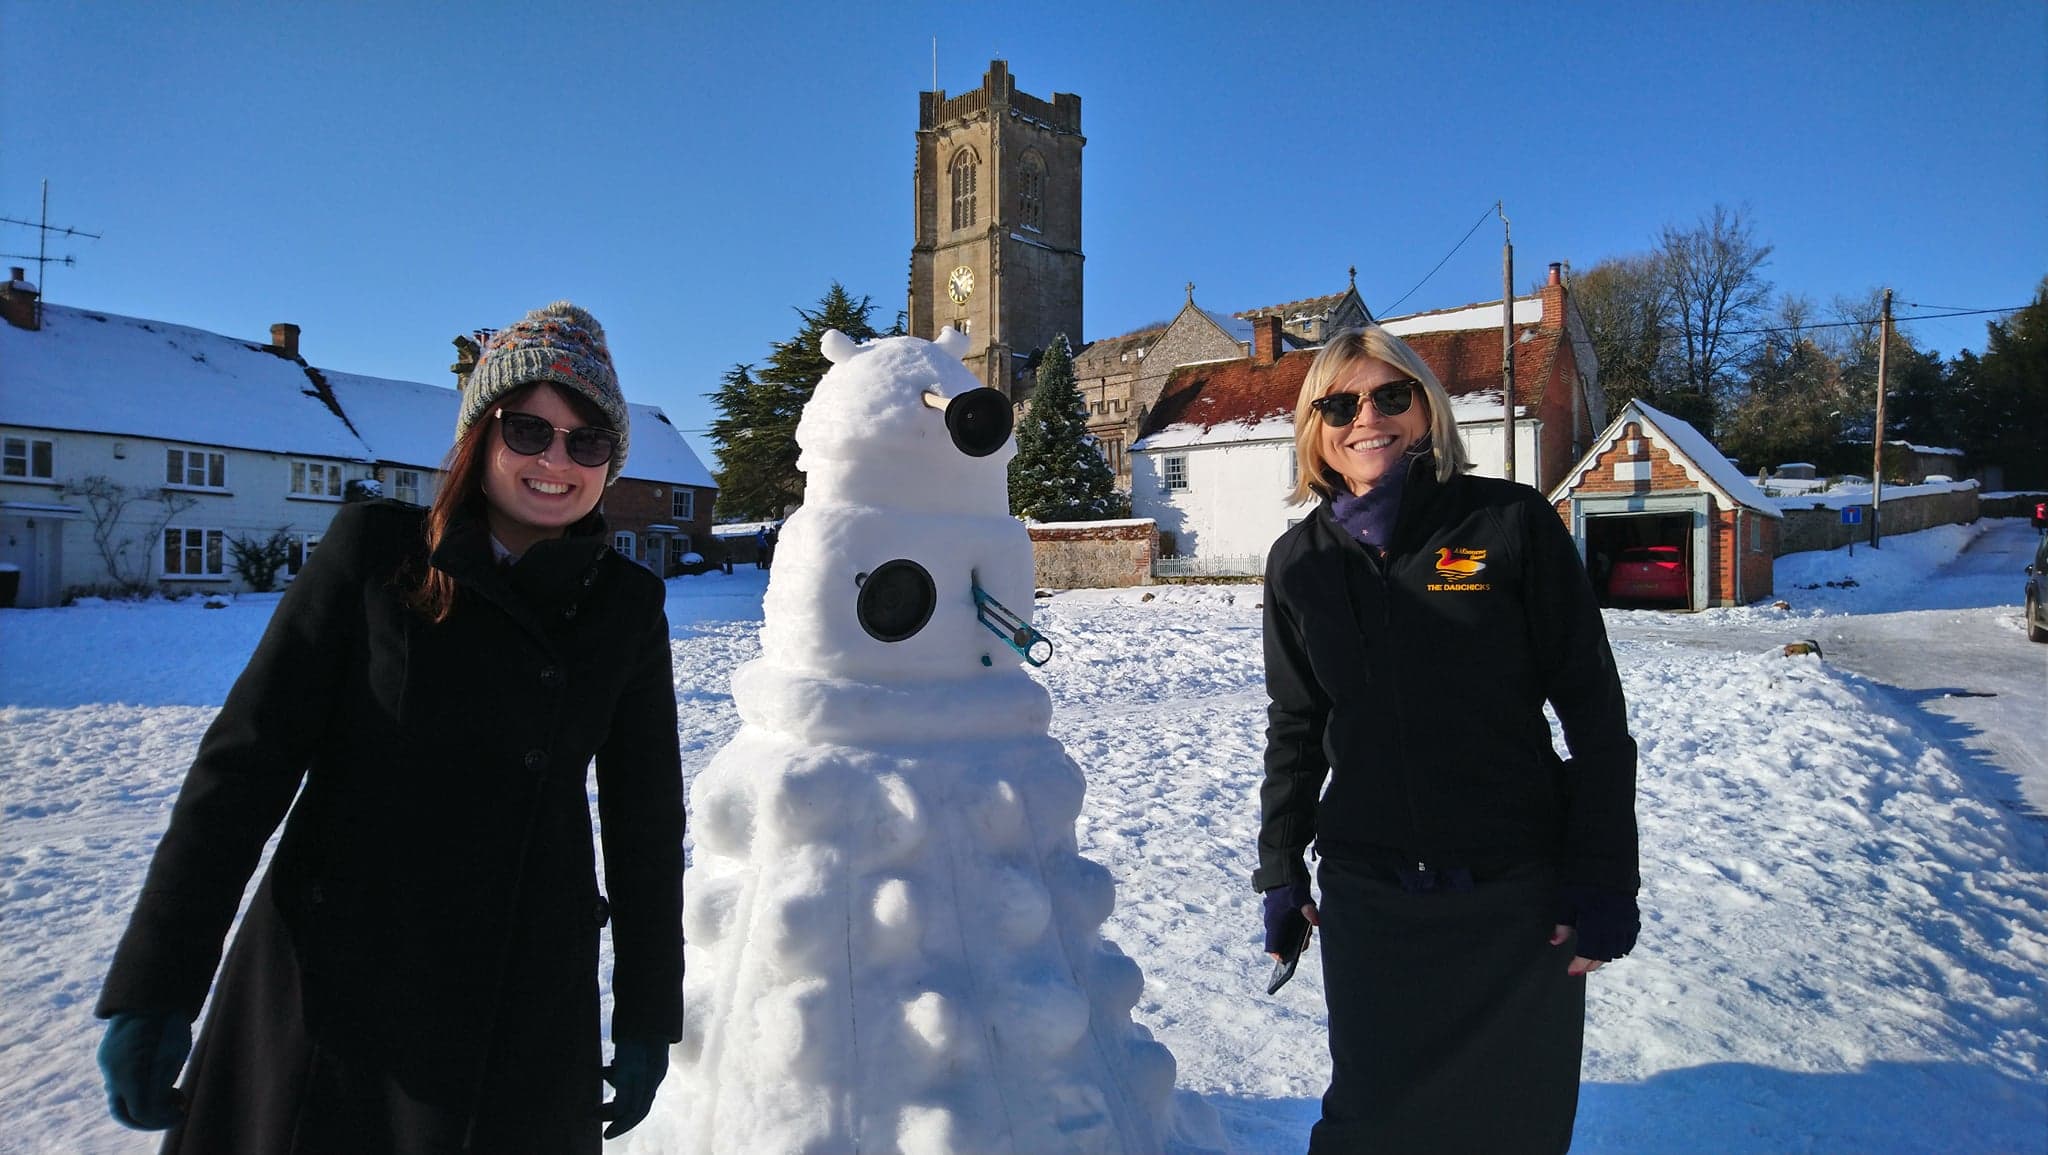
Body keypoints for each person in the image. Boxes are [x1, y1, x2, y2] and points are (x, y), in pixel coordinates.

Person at [94, 302, 685, 1154]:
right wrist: (155, 985)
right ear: (479, 438)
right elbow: (242, 769)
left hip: (519, 997)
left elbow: (645, 825)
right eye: (529, 430)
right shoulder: (377, 554)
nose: (556, 461)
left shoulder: (627, 608)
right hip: (335, 984)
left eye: (586, 441)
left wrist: (645, 1015)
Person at [1256, 325, 1639, 1153]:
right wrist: (1281, 870)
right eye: (1340, 402)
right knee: (1370, 1125)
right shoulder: (1299, 562)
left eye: (1391, 395)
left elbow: (1596, 717)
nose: (1368, 417)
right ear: (1314, 426)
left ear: (1426, 409)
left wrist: (1605, 878)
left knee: (1515, 1126)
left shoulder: (1510, 523)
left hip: (1515, 901)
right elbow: (1296, 726)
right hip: (1372, 902)